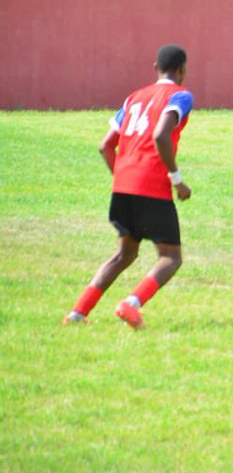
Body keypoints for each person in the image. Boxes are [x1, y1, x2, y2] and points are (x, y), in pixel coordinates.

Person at [63, 44, 195, 328]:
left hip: (123, 186)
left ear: (154, 67)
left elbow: (105, 145)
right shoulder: (181, 96)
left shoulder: (134, 98)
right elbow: (161, 134)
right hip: (152, 184)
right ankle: (131, 304)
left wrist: (123, 177)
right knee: (171, 257)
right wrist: (177, 180)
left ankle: (77, 313)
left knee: (125, 254)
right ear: (182, 70)